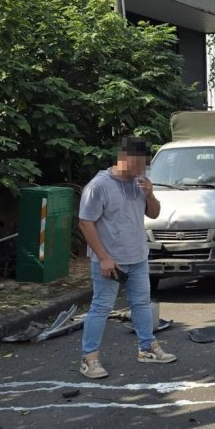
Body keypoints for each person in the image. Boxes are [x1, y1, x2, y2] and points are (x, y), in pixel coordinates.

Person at [78, 136, 176, 378]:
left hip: (138, 256)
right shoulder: (98, 186)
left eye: (145, 165)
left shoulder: (140, 183)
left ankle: (147, 348)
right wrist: (103, 258)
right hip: (111, 261)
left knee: (142, 304)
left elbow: (154, 214)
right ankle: (89, 359)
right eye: (138, 164)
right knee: (101, 307)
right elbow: (85, 223)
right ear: (123, 158)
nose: (142, 170)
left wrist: (150, 195)